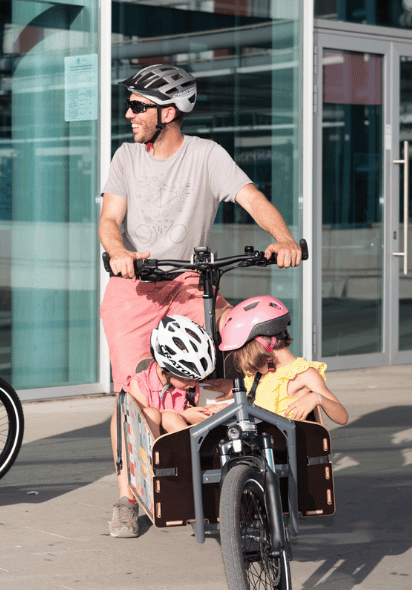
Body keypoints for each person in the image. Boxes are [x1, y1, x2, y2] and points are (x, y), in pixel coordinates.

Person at [100, 63, 303, 537]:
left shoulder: (207, 155)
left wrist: (284, 238)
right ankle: (129, 495)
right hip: (135, 284)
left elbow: (251, 198)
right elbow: (110, 220)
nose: (129, 114)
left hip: (191, 281)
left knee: (235, 347)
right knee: (132, 394)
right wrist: (119, 252)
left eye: (138, 106)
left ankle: (237, 466)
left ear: (167, 112)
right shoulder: (127, 158)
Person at [110, 315, 230, 538]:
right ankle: (127, 501)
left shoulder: (191, 384)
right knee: (140, 413)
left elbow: (228, 391)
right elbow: (137, 430)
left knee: (171, 417)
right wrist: (185, 415)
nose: (193, 383)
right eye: (188, 378)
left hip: (185, 451)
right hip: (150, 455)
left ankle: (204, 488)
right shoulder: (141, 384)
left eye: (197, 377)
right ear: (166, 368)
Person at [219, 296, 349, 425]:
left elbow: (342, 417)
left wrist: (318, 398)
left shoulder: (304, 374)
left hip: (287, 443)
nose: (246, 362)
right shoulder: (259, 374)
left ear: (261, 345)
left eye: (245, 353)